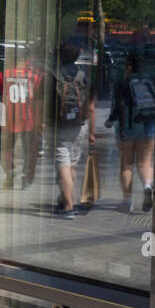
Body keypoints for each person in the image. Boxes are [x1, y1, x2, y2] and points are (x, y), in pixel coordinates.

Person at [0, 50, 45, 187]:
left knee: (5, 149)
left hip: (8, 119)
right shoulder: (37, 76)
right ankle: (27, 177)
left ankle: (11, 172)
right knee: (30, 151)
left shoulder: (2, 75)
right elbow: (42, 101)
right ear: (28, 58)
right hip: (30, 120)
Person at [106, 52, 155, 213]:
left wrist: (111, 120)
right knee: (145, 162)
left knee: (126, 163)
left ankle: (127, 200)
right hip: (148, 124)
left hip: (128, 125)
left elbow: (118, 105)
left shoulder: (122, 83)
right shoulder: (148, 81)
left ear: (128, 66)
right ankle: (147, 186)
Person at [52, 41, 95, 218]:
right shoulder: (83, 74)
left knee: (63, 165)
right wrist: (91, 131)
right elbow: (91, 106)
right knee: (73, 165)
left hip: (60, 125)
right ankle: (66, 199)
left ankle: (68, 207)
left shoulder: (54, 74)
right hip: (80, 124)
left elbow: (43, 103)